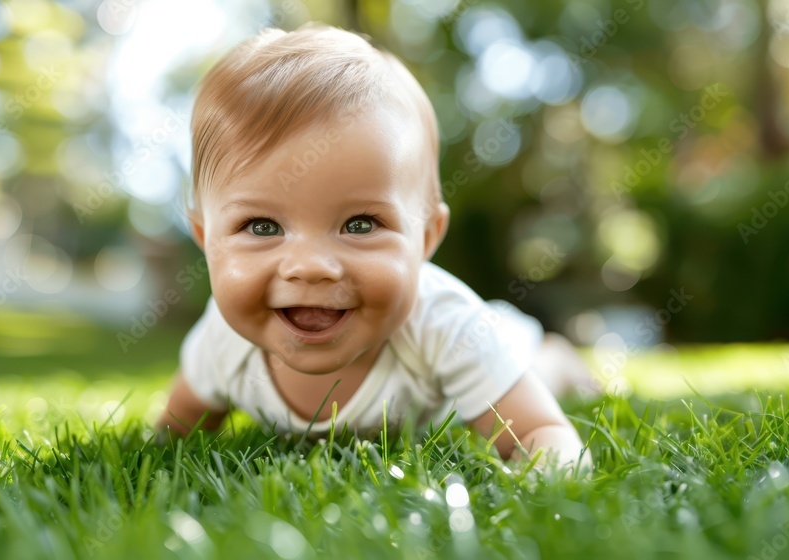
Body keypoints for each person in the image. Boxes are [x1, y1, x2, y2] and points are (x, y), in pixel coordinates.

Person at [154, 23, 599, 476]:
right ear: (206, 237)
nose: (310, 267)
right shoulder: (223, 342)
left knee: (534, 367)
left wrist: (544, 479)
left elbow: (539, 433)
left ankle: (557, 356)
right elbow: (176, 428)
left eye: (360, 224)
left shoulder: (449, 328)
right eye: (262, 226)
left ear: (426, 238)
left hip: (496, 337)